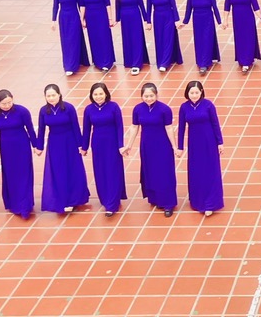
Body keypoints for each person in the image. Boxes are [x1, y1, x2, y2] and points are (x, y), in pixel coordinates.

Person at [123, 83, 177, 217]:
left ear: (156, 95)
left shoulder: (164, 109)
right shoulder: (138, 109)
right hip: (146, 146)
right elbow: (134, 127)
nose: (149, 98)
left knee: (164, 173)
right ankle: (155, 198)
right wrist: (129, 145)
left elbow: (169, 128)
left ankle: (168, 203)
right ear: (141, 96)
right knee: (151, 171)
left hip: (162, 146)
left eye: (151, 96)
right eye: (146, 96)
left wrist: (174, 146)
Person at [36, 83, 90, 215]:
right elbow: (41, 130)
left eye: (53, 95)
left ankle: (73, 199)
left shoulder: (68, 108)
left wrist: (81, 145)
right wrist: (39, 146)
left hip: (69, 141)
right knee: (58, 171)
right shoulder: (43, 111)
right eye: (48, 96)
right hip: (54, 143)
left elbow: (76, 127)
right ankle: (61, 199)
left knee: (71, 169)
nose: (51, 98)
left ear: (59, 95)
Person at [176, 81, 224, 216]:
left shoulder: (208, 105)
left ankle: (211, 203)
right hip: (194, 144)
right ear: (187, 93)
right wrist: (180, 147)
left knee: (210, 170)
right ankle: (198, 201)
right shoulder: (184, 107)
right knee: (196, 171)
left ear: (201, 92)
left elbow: (215, 124)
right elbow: (181, 128)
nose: (194, 95)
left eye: (196, 92)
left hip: (209, 142)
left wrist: (220, 142)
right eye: (191, 92)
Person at [0, 89, 36, 219]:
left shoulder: (22, 111)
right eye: (4, 104)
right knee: (11, 175)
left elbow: (30, 129)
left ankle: (25, 206)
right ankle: (14, 204)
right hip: (7, 148)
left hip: (22, 146)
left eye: (9, 102)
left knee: (24, 173)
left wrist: (36, 145)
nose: (7, 105)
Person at [80, 82, 127, 216]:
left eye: (101, 93)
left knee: (113, 171)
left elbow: (120, 127)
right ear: (91, 95)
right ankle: (105, 199)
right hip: (98, 144)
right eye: (95, 94)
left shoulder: (114, 107)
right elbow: (87, 129)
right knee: (100, 171)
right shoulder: (89, 109)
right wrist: (84, 147)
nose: (98, 96)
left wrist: (121, 145)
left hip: (112, 144)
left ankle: (112, 203)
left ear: (106, 94)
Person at [223, 0, 261, 73]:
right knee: (240, 39)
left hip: (248, 20)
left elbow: (256, 7)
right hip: (237, 21)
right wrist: (225, 21)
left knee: (249, 38)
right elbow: (226, 8)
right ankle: (242, 59)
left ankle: (247, 61)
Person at [181, 0, 222, 74]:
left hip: (208, 20)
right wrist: (185, 22)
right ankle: (201, 61)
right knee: (199, 41)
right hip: (197, 20)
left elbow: (215, 9)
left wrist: (219, 22)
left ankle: (204, 64)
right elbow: (188, 9)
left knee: (207, 39)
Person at [52, 0, 89, 76]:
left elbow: (81, 5)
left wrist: (82, 19)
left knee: (74, 40)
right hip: (63, 18)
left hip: (74, 17)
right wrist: (53, 21)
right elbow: (55, 6)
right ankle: (68, 64)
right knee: (66, 41)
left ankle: (72, 66)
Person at [145, 0, 184, 73]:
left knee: (167, 38)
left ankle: (164, 63)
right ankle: (162, 59)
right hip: (157, 18)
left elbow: (174, 6)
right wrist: (148, 22)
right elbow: (148, 9)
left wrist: (177, 20)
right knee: (159, 39)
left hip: (168, 17)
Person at [79, 0, 116, 72]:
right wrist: (82, 19)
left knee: (104, 38)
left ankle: (107, 62)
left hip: (102, 17)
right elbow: (82, 6)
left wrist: (110, 19)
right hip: (90, 18)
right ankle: (98, 61)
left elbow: (108, 4)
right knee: (94, 39)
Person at [114, 0, 150, 75]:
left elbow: (141, 6)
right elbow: (117, 6)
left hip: (135, 17)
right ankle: (129, 61)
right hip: (125, 18)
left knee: (136, 38)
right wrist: (117, 19)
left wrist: (146, 20)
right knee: (127, 38)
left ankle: (137, 64)